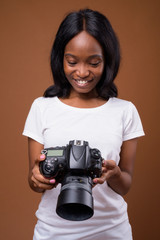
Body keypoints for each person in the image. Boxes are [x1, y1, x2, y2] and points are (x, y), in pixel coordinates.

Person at [23, 8, 145, 240]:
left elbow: (125, 185)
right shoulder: (42, 107)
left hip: (111, 231)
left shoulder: (125, 111)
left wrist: (114, 173)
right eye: (72, 61)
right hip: (53, 232)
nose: (82, 72)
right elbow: (35, 181)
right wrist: (38, 178)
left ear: (107, 60)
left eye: (94, 62)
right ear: (61, 59)